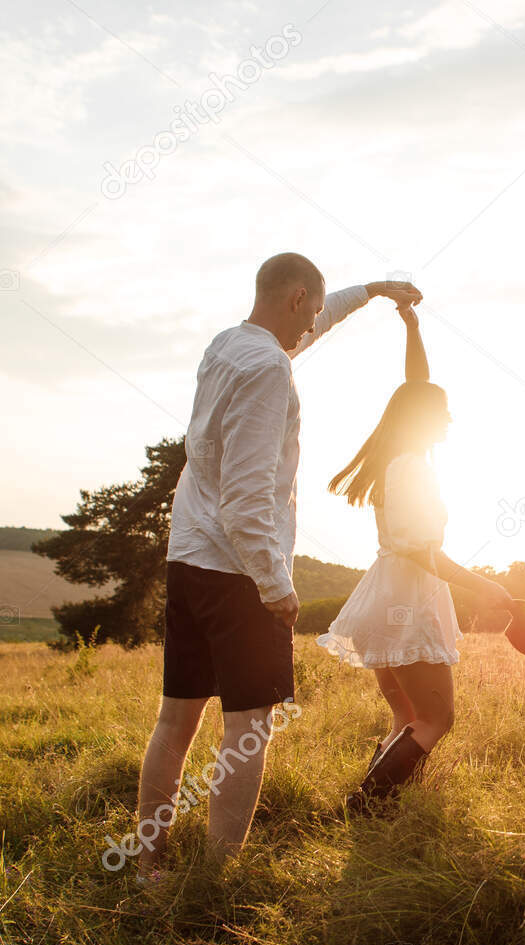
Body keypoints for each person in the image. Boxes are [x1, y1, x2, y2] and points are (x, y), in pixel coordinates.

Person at [134, 252, 422, 882]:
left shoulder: (228, 345)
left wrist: (368, 292)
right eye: (310, 312)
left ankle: (147, 863)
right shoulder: (269, 370)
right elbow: (245, 497)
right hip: (240, 574)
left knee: (176, 716)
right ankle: (217, 877)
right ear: (294, 297)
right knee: (247, 731)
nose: (310, 330)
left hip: (189, 557)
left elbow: (307, 328)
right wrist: (276, 586)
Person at [316, 301, 512, 812]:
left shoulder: (402, 460)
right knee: (435, 720)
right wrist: (483, 585)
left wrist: (413, 326)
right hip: (407, 600)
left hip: (384, 598)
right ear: (423, 416)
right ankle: (367, 804)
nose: (449, 415)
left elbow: (416, 384)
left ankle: (380, 807)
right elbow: (424, 552)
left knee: (405, 715)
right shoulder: (413, 469)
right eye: (441, 409)